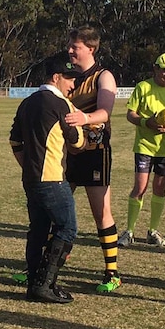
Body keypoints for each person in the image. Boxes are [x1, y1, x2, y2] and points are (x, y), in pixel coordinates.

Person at [10, 60, 84, 303]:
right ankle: (45, 283)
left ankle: (33, 284)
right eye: (70, 78)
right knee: (67, 228)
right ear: (56, 77)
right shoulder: (61, 103)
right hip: (52, 178)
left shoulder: (27, 102)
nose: (73, 85)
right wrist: (82, 123)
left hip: (31, 178)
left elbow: (15, 141)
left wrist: (29, 165)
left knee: (38, 231)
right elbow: (76, 142)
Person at [64, 25, 121, 293]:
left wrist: (84, 118)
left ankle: (112, 272)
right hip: (67, 154)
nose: (70, 50)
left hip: (95, 153)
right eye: (70, 45)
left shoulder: (103, 76)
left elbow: (105, 113)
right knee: (56, 210)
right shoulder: (67, 76)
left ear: (91, 48)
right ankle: (50, 262)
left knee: (101, 214)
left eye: (75, 46)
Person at [119, 53, 165, 248]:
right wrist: (145, 122)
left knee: (160, 189)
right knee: (140, 188)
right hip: (145, 146)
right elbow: (130, 114)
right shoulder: (143, 87)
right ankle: (129, 231)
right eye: (162, 69)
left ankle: (152, 231)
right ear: (155, 68)